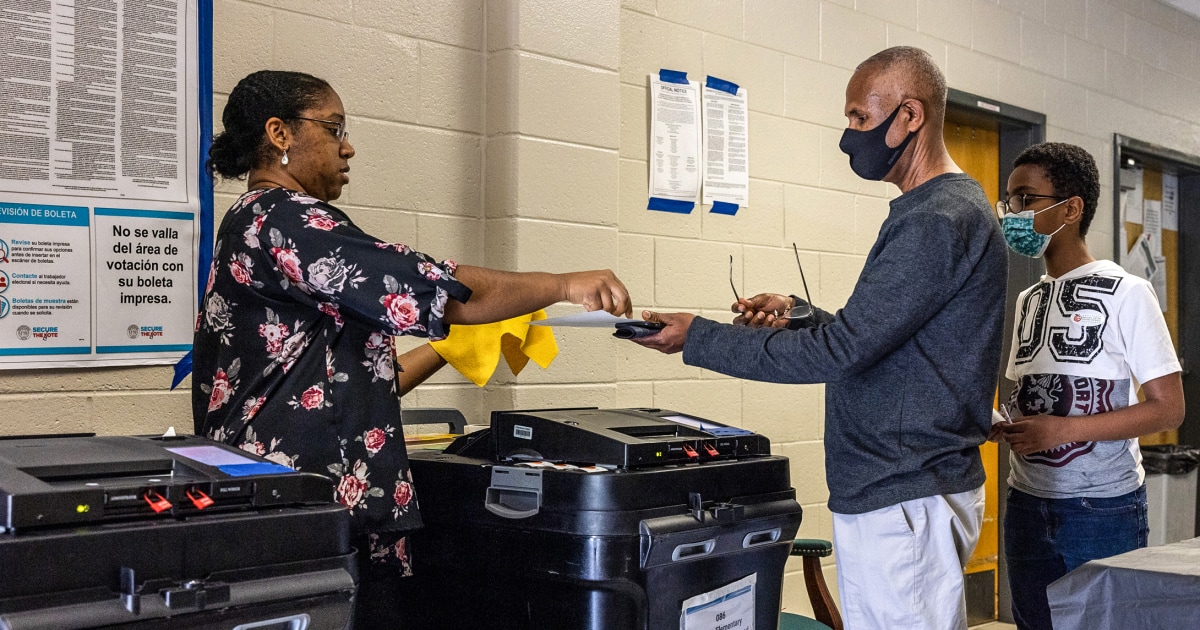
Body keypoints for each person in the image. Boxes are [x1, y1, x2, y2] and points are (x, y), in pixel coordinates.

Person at [194, 70, 631, 629]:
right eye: (333, 129)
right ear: (279, 133)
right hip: (304, 512)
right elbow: (441, 288)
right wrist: (566, 285)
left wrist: (455, 346)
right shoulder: (286, 220)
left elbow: (358, 382)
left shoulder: (254, 225)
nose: (347, 146)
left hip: (313, 507)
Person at [632, 46, 1008, 629]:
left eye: (860, 117)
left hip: (904, 493)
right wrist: (802, 315)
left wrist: (697, 338)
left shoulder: (936, 218)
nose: (848, 135)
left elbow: (844, 352)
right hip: (899, 488)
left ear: (910, 116)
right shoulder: (935, 211)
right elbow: (889, 340)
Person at [992, 142, 1184, 630]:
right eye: (1008, 201)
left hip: (1100, 511)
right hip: (1026, 502)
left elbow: (1167, 410)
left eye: (1025, 199)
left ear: (1071, 208)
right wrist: (1004, 423)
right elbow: (1024, 394)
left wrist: (1062, 432)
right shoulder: (1029, 299)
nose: (1012, 213)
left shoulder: (1128, 292)